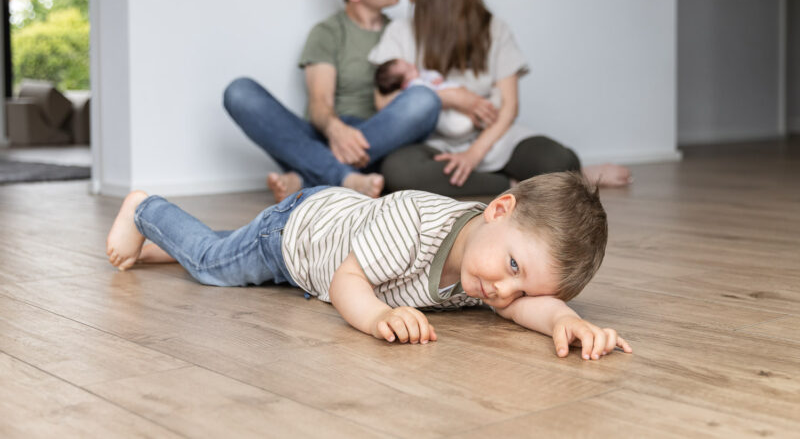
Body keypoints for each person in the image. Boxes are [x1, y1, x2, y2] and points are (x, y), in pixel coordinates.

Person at [106, 171, 633, 359]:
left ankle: (155, 245)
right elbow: (346, 280)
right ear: (498, 209)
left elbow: (528, 307)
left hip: (336, 235)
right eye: (512, 266)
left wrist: (567, 321)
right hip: (295, 235)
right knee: (214, 264)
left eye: (521, 288)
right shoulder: (415, 225)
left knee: (225, 248)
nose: (500, 291)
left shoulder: (488, 261)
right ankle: (145, 209)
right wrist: (378, 317)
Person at [370, 0, 632, 196]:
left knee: (554, 159)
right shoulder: (399, 32)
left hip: (492, 137)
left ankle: (562, 174)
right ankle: (513, 185)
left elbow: (509, 106)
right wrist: (451, 97)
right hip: (432, 144)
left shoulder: (494, 29)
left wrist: (474, 154)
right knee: (399, 172)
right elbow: (384, 103)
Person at [222, 0, 442, 204]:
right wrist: (337, 131)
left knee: (426, 99)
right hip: (327, 133)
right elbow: (319, 103)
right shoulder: (327, 33)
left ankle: (308, 180)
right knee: (240, 93)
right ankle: (345, 179)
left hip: (378, 140)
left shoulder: (403, 34)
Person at [374, 58, 477, 139]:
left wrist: (435, 79)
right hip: (447, 114)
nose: (413, 65)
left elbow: (432, 75)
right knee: (460, 121)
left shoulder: (421, 75)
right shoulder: (413, 86)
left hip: (456, 97)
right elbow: (426, 95)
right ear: (405, 84)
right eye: (410, 69)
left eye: (409, 63)